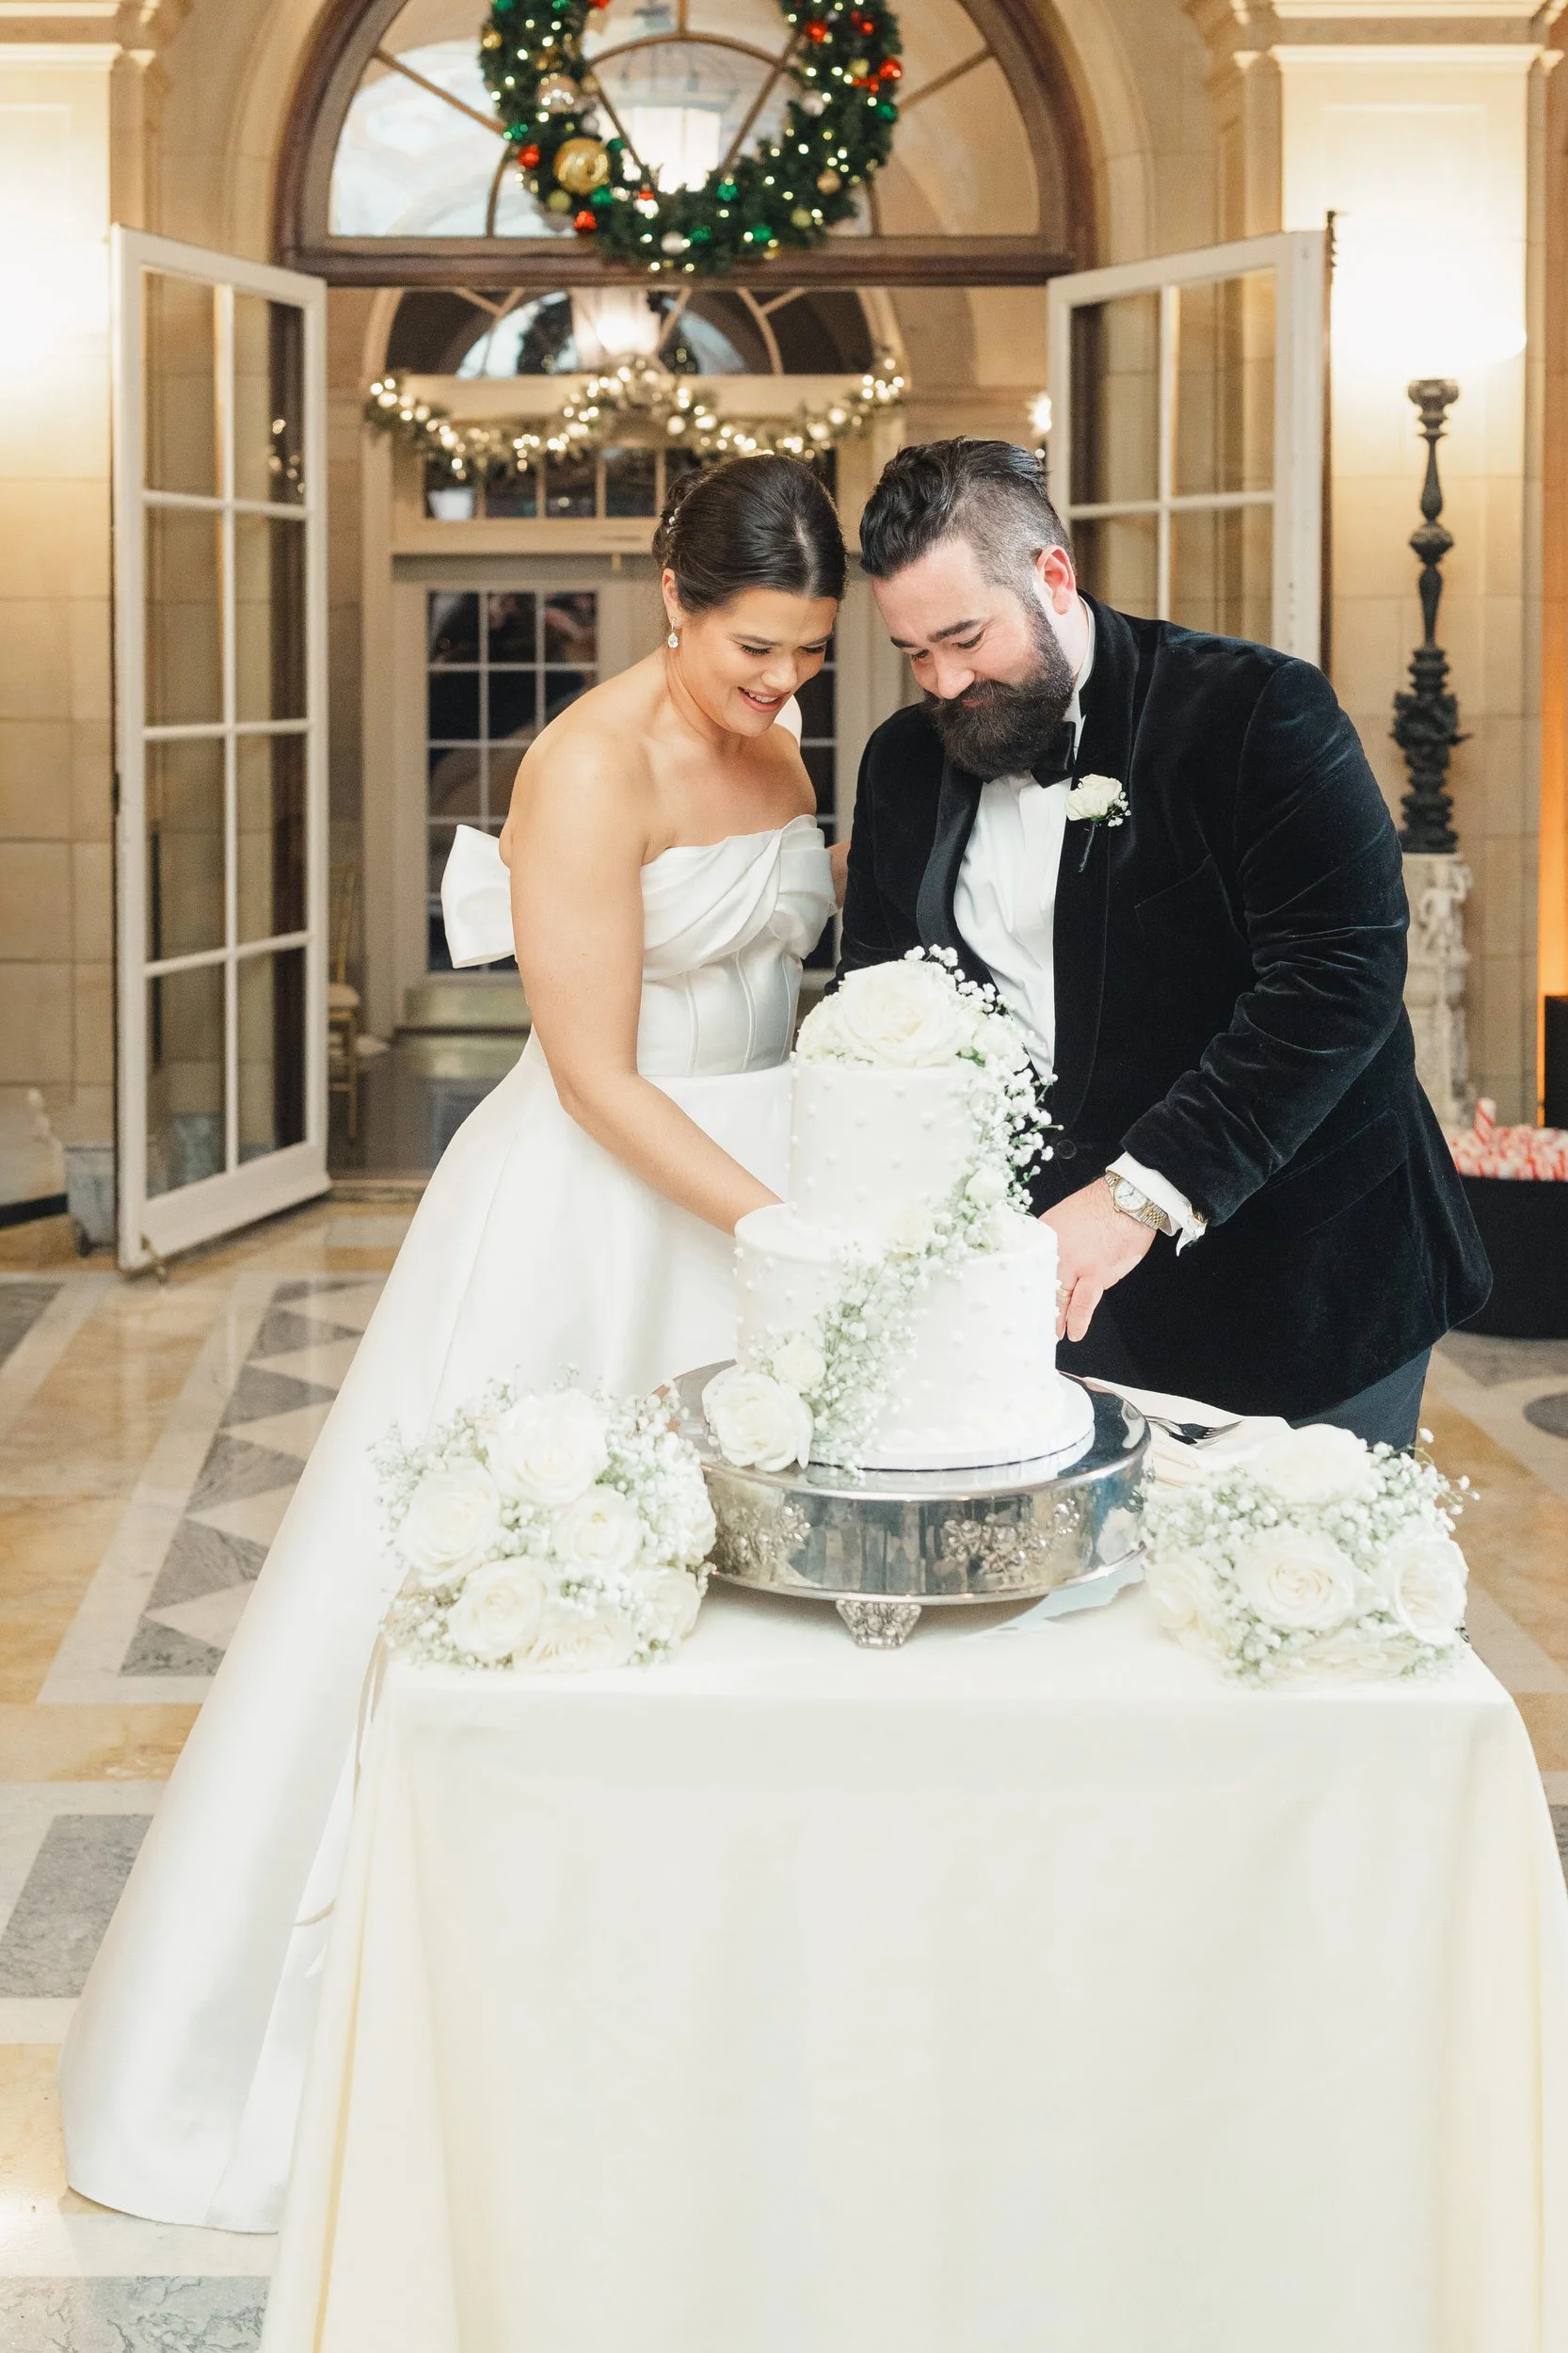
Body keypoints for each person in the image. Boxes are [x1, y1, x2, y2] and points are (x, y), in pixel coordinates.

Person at [59, 456, 840, 2233]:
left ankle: (696, 2027)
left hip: (752, 1181)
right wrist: (776, 1232)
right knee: (510, 1601)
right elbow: (593, 1077)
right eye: (751, 651)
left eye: (804, 655)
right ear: (671, 594)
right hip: (603, 1210)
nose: (781, 687)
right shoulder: (581, 766)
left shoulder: (786, 740)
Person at [841, 437, 1489, 1437]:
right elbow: (880, 992)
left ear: (1051, 575)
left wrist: (1140, 1195)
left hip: (1306, 1282)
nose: (942, 680)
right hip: (1057, 1303)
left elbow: (1338, 976)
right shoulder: (899, 767)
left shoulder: (1252, 710)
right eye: (915, 652)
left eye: (965, 637)